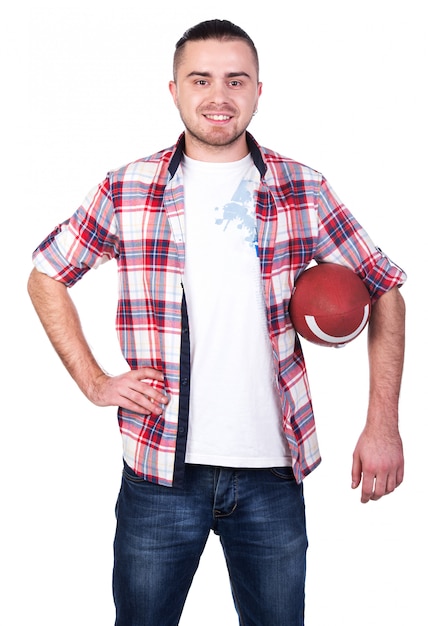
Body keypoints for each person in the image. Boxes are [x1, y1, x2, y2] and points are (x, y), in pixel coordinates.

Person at [27, 18, 406, 626]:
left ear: (259, 91)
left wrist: (382, 423)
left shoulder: (301, 188)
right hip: (158, 472)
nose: (218, 96)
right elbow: (46, 274)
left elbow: (386, 286)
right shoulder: (129, 188)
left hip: (273, 474)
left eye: (236, 80)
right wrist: (95, 383)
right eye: (200, 79)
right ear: (173, 90)